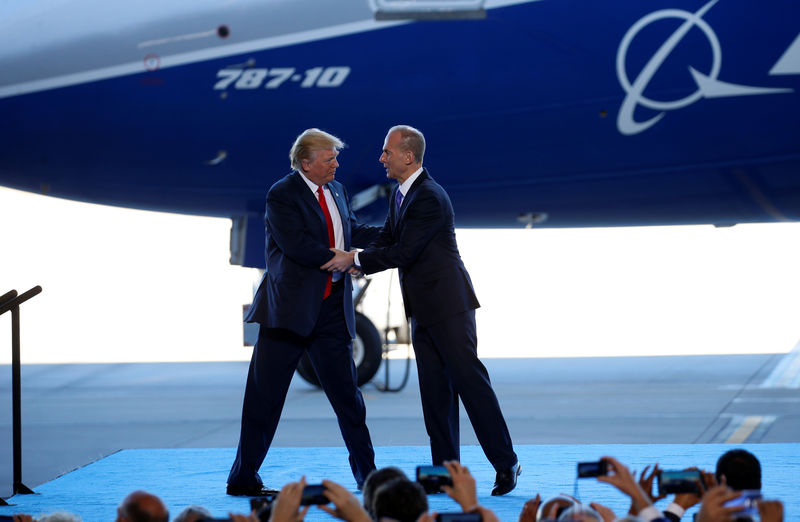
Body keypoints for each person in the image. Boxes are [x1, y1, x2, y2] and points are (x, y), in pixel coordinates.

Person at [323, 125, 519, 495]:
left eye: (387, 152)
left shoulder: (428, 196)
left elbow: (404, 252)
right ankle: (445, 473)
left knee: (471, 387)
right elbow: (387, 239)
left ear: (408, 156)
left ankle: (506, 463)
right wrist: (350, 248)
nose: (381, 158)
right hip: (423, 310)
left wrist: (358, 260)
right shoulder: (403, 195)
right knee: (435, 395)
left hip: (449, 307)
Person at [227, 128, 380, 496]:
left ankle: (369, 478)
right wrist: (345, 261)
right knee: (265, 399)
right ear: (306, 163)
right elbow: (298, 246)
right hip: (289, 314)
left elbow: (351, 231)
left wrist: (388, 239)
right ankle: (243, 478)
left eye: (335, 158)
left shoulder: (338, 190)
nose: (336, 165)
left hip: (331, 312)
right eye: (330, 160)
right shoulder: (282, 195)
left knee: (349, 401)